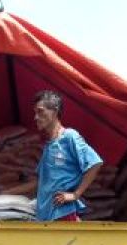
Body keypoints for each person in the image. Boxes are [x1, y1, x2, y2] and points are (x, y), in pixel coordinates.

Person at [33, 90, 103, 222]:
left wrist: (75, 195)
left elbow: (95, 163)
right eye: (35, 113)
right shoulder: (48, 146)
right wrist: (6, 192)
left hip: (62, 213)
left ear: (54, 111)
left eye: (40, 111)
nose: (36, 117)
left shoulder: (69, 136)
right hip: (46, 217)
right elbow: (41, 182)